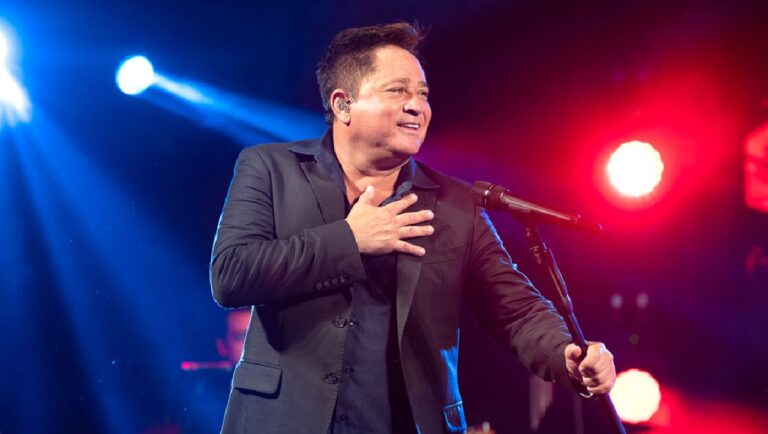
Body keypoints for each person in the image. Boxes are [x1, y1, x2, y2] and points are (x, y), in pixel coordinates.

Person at [209, 22, 616, 434]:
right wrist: (350, 240)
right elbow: (231, 275)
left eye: (422, 94)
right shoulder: (271, 168)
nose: (416, 106)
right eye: (397, 91)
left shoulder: (456, 204)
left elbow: (516, 310)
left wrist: (566, 353)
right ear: (342, 104)